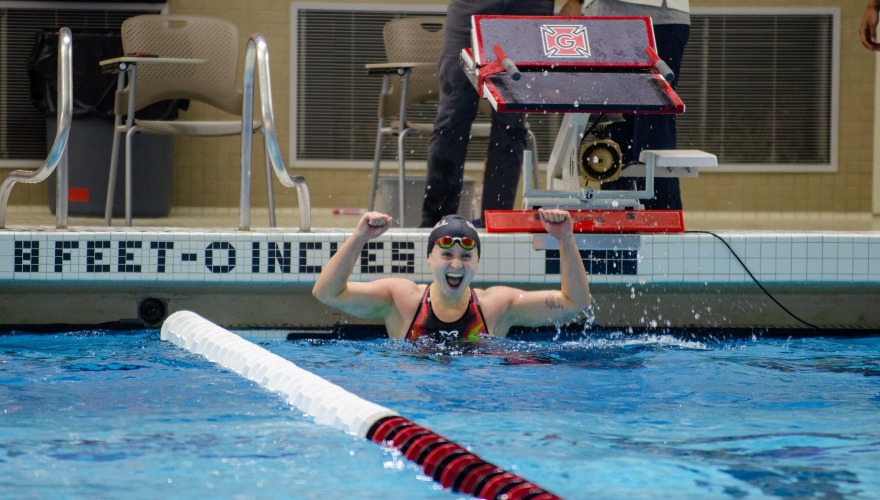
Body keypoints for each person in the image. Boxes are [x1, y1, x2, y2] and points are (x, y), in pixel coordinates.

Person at [312, 209, 590, 341]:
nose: (456, 264)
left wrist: (565, 238)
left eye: (466, 256)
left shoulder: (496, 306)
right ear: (429, 259)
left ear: (477, 263)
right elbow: (325, 292)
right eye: (446, 254)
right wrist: (359, 237)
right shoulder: (401, 300)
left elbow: (574, 302)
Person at [420, 0, 555, 228]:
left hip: (529, 6)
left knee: (512, 123)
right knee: (452, 118)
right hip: (470, 5)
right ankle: (435, 224)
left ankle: (497, 223)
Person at [561, 0, 690, 210]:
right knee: (611, 132)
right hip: (603, 19)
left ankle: (662, 224)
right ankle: (618, 216)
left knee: (652, 131)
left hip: (655, 16)